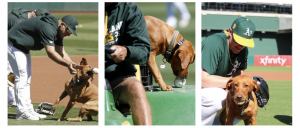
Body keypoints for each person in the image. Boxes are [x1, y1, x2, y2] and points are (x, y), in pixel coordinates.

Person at [8, 14, 79, 120]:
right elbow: (51, 53)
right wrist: (67, 64)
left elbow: (61, 52)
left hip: (22, 47)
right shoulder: (48, 28)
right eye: (68, 31)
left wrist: (73, 64)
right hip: (12, 44)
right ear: (62, 25)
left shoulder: (59, 31)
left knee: (27, 77)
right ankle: (22, 113)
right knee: (22, 76)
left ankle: (28, 110)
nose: (68, 34)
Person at [201, 17, 256, 125]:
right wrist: (234, 82)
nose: (241, 45)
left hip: (217, 88)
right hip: (196, 90)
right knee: (218, 98)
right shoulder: (214, 43)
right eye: (239, 40)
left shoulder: (242, 49)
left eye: (245, 42)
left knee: (245, 100)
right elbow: (203, 80)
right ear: (230, 32)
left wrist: (248, 85)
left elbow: (239, 74)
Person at [105, 2, 152, 125]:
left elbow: (143, 51)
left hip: (117, 78)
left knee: (136, 87)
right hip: (93, 76)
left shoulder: (130, 9)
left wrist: (126, 51)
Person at [7, 7, 50, 109]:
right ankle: (10, 99)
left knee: (12, 72)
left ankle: (11, 98)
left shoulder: (26, 15)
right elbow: (16, 40)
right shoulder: (18, 21)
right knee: (9, 72)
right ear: (34, 15)